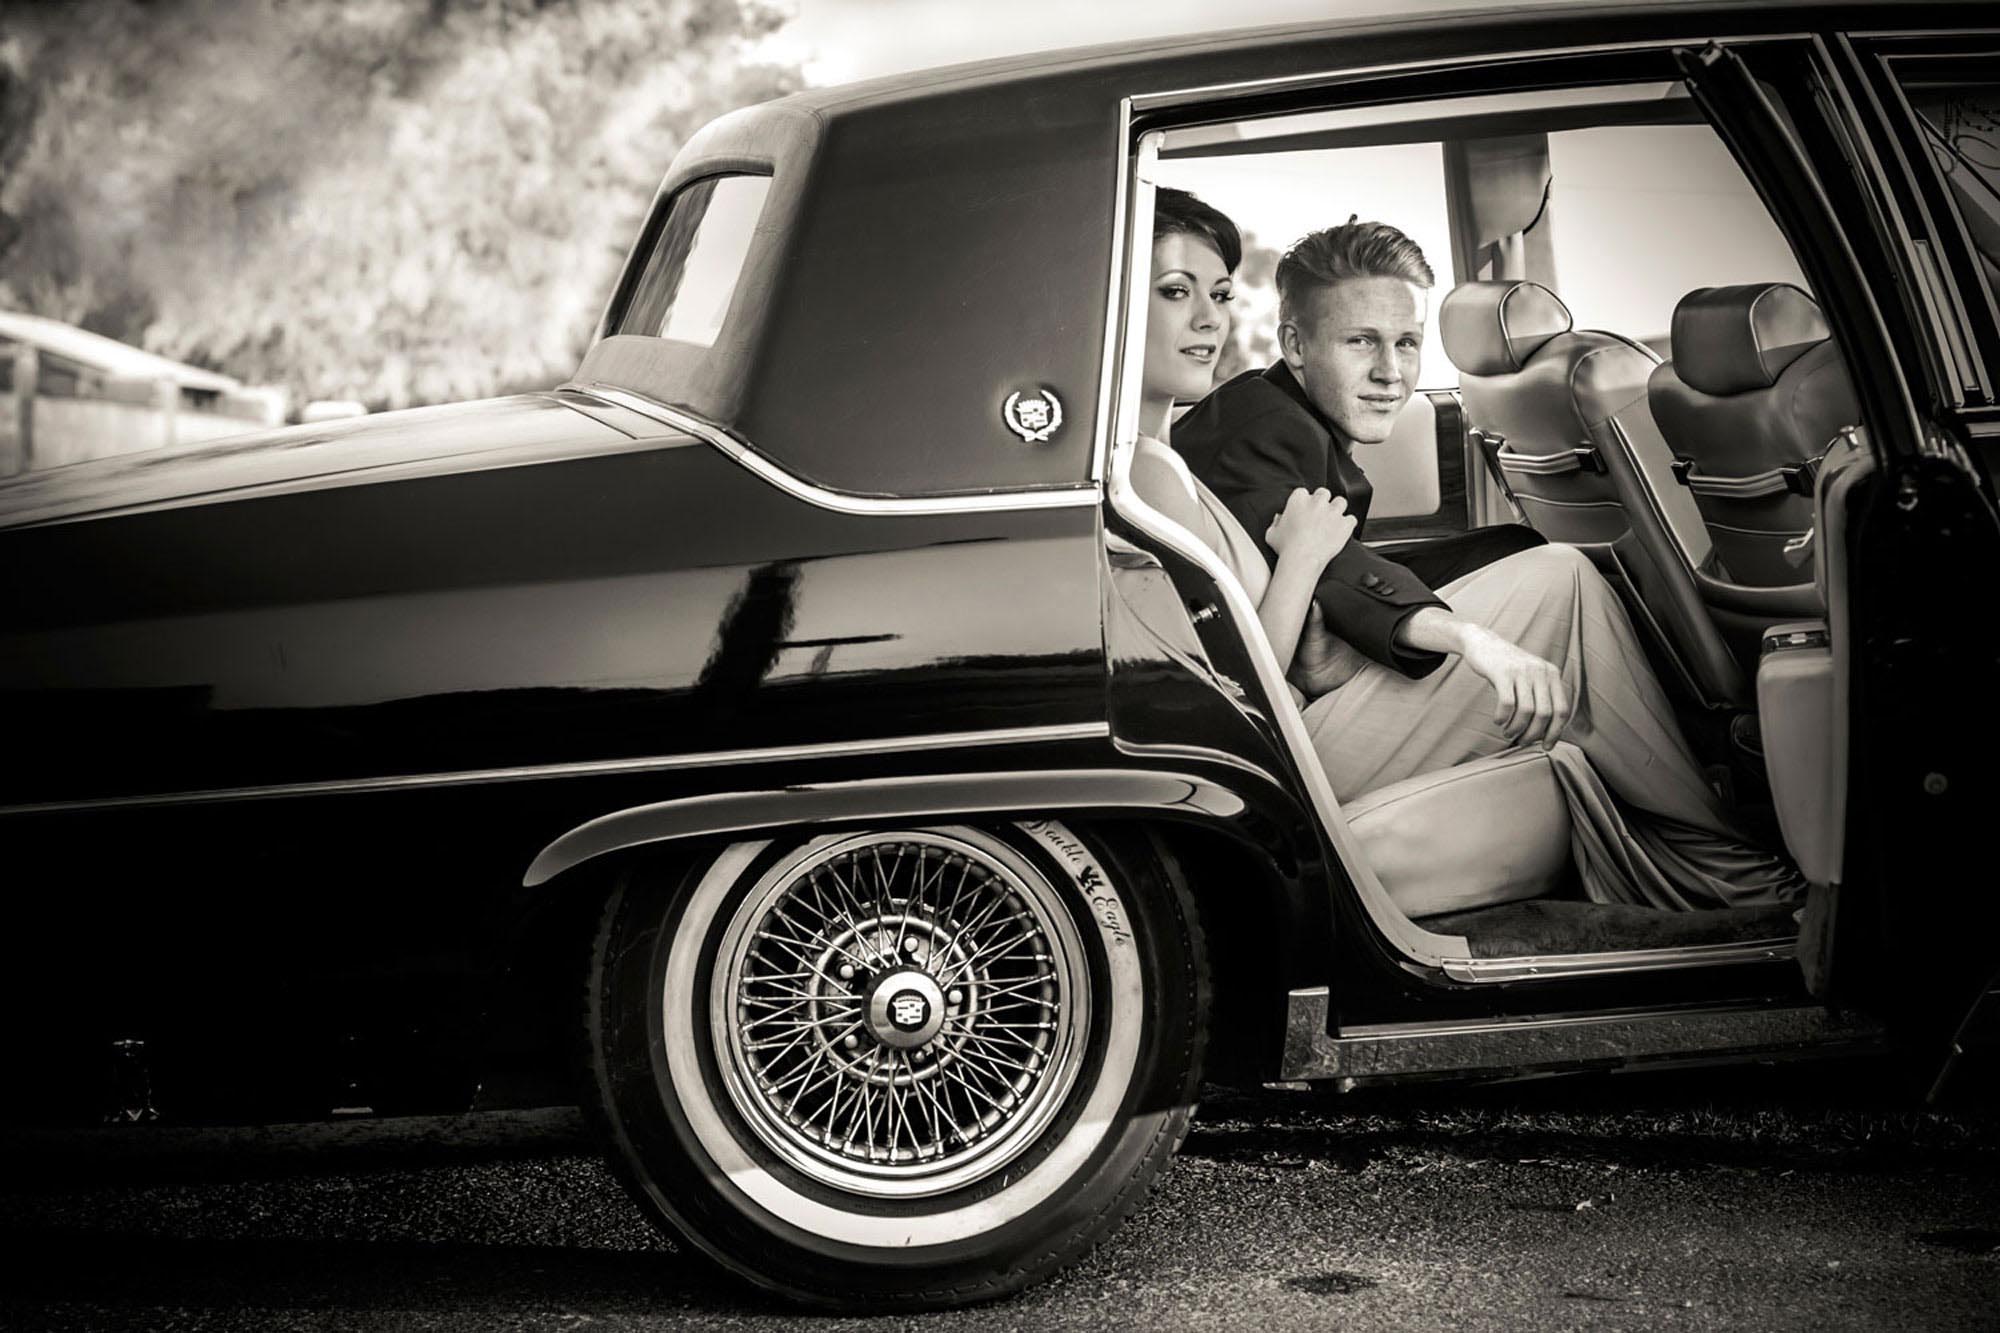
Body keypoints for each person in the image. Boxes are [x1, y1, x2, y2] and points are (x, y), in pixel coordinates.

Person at [1136, 190, 1803, 912]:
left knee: (1534, 561)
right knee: (1560, 582)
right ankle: (1727, 864)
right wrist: (1472, 636)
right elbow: (1327, 578)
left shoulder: (1217, 432)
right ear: (1296, 346)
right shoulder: (1249, 431)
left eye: (1407, 342)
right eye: (1361, 341)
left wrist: (1370, 617)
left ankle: (1706, 844)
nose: (1393, 371)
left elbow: (1320, 573)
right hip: (1288, 747)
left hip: (1294, 711)